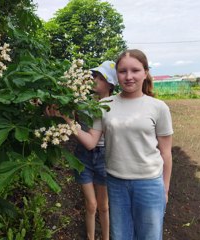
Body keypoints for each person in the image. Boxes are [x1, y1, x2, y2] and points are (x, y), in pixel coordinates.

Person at [46, 49, 173, 240]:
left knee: (149, 236)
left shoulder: (158, 107)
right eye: (123, 71)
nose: (129, 76)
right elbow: (90, 142)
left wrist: (165, 189)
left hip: (149, 184)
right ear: (117, 75)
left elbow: (166, 153)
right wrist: (67, 120)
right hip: (116, 182)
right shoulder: (105, 105)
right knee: (120, 235)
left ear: (145, 73)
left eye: (135, 70)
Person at [73, 61, 117, 240]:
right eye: (95, 76)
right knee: (91, 204)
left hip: (104, 156)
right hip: (83, 155)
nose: (95, 80)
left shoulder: (115, 104)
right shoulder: (82, 102)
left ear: (111, 84)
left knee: (104, 206)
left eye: (101, 78)